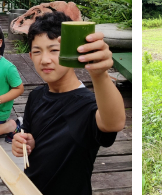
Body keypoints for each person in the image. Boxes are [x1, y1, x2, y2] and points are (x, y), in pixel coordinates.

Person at [12, 12, 125, 195]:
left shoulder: (87, 104)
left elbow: (114, 122)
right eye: (37, 51)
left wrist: (99, 73)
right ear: (30, 56)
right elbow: (31, 136)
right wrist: (26, 142)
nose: (45, 59)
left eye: (54, 50)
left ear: (70, 52)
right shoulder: (36, 95)